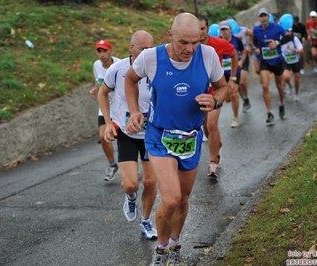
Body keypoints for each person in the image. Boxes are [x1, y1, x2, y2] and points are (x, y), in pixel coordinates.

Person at [124, 12, 228, 266]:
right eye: (184, 42)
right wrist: (135, 110)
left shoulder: (208, 56)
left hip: (190, 138)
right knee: (170, 199)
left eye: (195, 42)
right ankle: (160, 251)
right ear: (171, 36)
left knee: (182, 199)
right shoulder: (151, 57)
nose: (190, 49)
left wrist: (215, 100)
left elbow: (224, 88)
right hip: (159, 136)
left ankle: (174, 244)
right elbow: (129, 79)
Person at [98, 30, 158, 240]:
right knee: (131, 183)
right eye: (144, 48)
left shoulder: (159, 67)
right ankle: (130, 196)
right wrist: (107, 123)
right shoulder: (117, 69)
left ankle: (146, 221)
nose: (148, 52)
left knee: (150, 182)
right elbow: (102, 93)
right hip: (127, 133)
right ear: (131, 48)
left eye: (152, 48)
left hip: (152, 133)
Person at [197, 14, 239, 178]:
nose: (200, 32)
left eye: (203, 28)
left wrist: (233, 79)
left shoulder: (218, 43)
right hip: (200, 92)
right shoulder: (189, 47)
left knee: (212, 125)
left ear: (208, 28)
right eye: (197, 28)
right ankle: (217, 144)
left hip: (216, 91)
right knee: (206, 126)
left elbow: (234, 54)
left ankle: (213, 162)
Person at [89, 40, 119, 181]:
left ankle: (130, 163)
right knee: (103, 137)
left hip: (119, 107)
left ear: (110, 51)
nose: (102, 55)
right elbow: (98, 79)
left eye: (104, 50)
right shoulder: (96, 64)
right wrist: (96, 88)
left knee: (124, 137)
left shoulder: (120, 65)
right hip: (105, 107)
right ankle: (112, 165)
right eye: (99, 51)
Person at [253, 8, 287, 126]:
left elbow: (287, 37)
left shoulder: (277, 27)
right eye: (261, 16)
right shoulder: (256, 30)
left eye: (265, 15)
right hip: (265, 61)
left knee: (279, 86)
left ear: (268, 17)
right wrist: (256, 48)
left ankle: (281, 104)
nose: (263, 18)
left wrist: (277, 43)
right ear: (259, 18)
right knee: (265, 85)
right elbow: (255, 41)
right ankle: (269, 112)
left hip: (277, 61)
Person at [219, 20, 247, 127]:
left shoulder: (237, 40)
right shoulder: (217, 42)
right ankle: (243, 99)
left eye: (226, 29)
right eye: (223, 30)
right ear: (220, 31)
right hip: (222, 73)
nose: (225, 32)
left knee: (233, 94)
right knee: (227, 98)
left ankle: (235, 118)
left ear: (230, 30)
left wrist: (241, 61)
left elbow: (244, 51)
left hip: (235, 72)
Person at [232, 22, 253, 113]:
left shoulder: (242, 30)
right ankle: (245, 99)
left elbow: (253, 33)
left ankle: (246, 97)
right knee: (238, 84)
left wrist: (250, 45)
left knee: (241, 82)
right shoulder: (225, 32)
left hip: (243, 58)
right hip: (234, 60)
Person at [281, 27, 304, 101]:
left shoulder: (295, 39)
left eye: (289, 31)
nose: (288, 32)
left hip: (295, 60)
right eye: (286, 31)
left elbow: (301, 51)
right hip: (286, 60)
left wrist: (294, 50)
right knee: (286, 77)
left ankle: (296, 94)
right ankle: (290, 86)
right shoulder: (280, 40)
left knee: (296, 79)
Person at [306, 11, 317, 75]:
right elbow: (308, 29)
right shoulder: (308, 22)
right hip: (313, 41)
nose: (313, 19)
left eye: (314, 17)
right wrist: (309, 35)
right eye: (312, 18)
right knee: (314, 54)